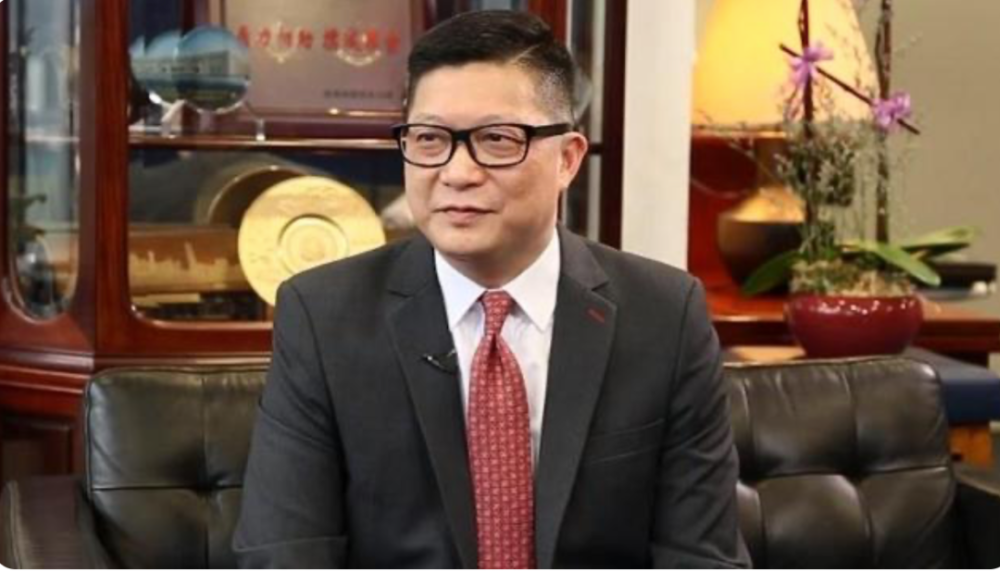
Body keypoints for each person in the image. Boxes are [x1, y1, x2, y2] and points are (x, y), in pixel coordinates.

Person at [234, 10, 747, 569]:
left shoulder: (664, 317)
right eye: (429, 139)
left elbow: (702, 557)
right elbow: (284, 553)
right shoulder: (323, 317)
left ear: (568, 159)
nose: (457, 173)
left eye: (497, 140)